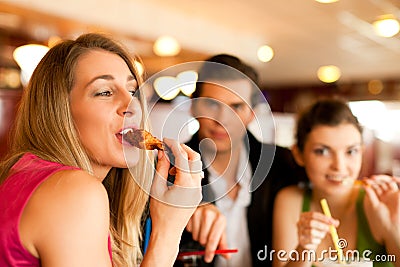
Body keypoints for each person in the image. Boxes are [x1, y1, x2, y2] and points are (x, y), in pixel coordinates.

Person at [0, 33, 204, 267]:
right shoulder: (73, 192)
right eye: (105, 92)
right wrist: (167, 232)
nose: (131, 106)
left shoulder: (25, 175)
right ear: (60, 111)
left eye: (132, 91)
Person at [178, 54, 305, 267]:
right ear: (193, 105)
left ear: (251, 113)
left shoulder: (283, 164)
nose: (223, 119)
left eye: (236, 107)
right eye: (211, 104)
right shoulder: (166, 167)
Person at [272, 98, 400, 267]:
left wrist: (392, 229)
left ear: (362, 152)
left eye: (351, 151)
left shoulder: (383, 203)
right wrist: (304, 248)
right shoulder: (290, 201)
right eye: (322, 151)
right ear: (298, 154)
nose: (339, 166)